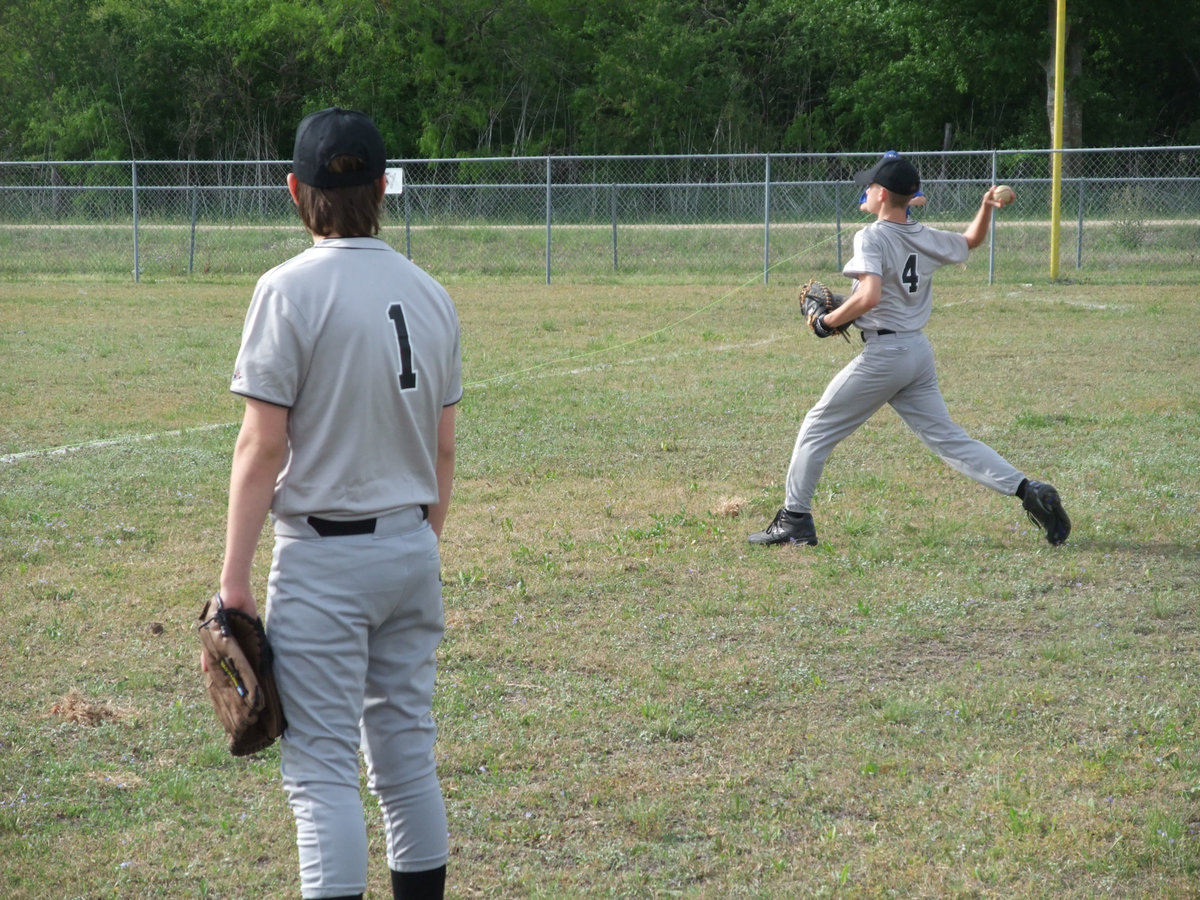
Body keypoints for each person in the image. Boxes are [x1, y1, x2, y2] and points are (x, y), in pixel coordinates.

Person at [216, 107, 462, 900]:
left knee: (321, 772)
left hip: (324, 558)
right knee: (404, 757)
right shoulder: (429, 293)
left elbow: (262, 447)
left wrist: (234, 581)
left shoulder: (287, 288)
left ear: (295, 191)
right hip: (410, 546)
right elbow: (444, 448)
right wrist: (421, 542)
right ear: (385, 188)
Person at [749, 152, 1069, 548]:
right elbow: (970, 241)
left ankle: (794, 521)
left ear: (882, 194)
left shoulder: (870, 235)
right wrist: (985, 207)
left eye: (869, 185)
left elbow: (869, 296)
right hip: (917, 352)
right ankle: (1028, 490)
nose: (864, 190)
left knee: (817, 428)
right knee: (949, 439)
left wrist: (825, 322)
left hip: (887, 355)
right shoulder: (923, 234)